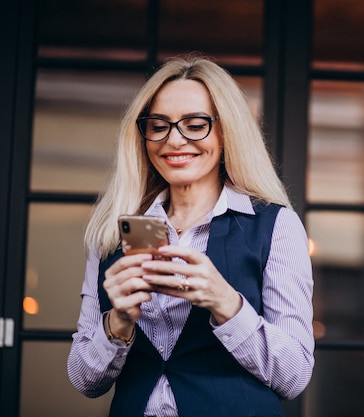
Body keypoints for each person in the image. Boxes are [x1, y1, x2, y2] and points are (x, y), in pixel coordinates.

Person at [67, 55, 315, 417]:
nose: (174, 140)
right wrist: (118, 321)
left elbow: (294, 376)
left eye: (195, 124)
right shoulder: (114, 231)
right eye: (159, 125)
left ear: (226, 131)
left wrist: (227, 304)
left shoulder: (275, 226)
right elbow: (84, 379)